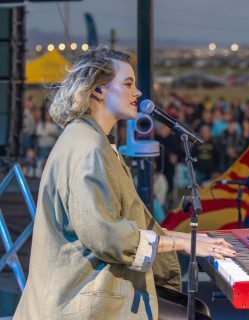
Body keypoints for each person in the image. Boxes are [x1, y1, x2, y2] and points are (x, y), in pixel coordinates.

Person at [14, 46, 235, 320]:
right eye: (128, 84)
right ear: (98, 89)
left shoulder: (88, 139)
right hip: (80, 300)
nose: (138, 93)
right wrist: (183, 244)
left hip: (81, 289)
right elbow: (107, 236)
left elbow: (120, 228)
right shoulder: (89, 149)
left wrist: (188, 238)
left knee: (194, 309)